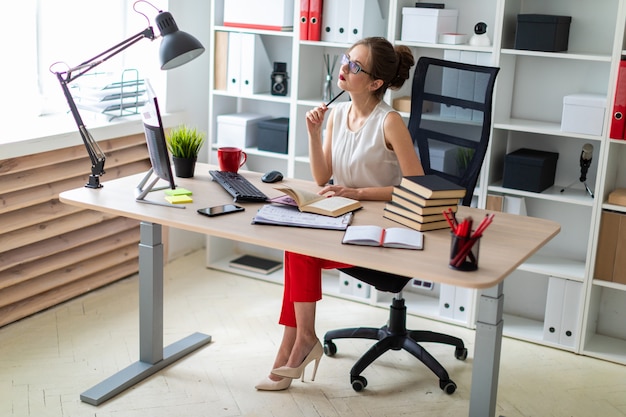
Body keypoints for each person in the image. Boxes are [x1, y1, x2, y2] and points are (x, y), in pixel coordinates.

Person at [255, 37, 425, 391]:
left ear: (376, 83)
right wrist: (313, 134)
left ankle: (297, 344)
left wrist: (358, 192)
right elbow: (321, 178)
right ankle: (296, 344)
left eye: (355, 67)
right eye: (346, 60)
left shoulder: (389, 122)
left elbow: (417, 188)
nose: (344, 69)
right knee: (296, 242)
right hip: (344, 223)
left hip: (380, 237)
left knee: (299, 247)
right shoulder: (336, 114)